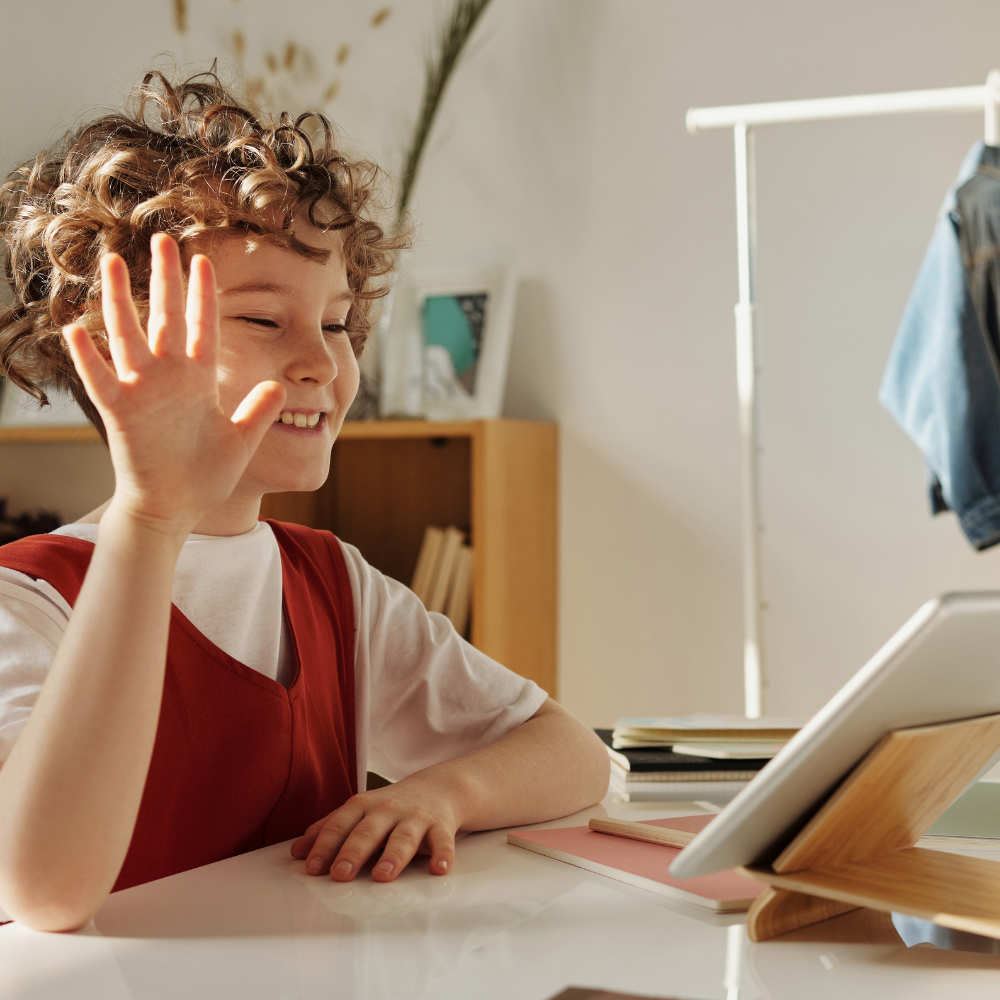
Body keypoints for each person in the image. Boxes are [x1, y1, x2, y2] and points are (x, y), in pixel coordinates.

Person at [0, 71, 608, 933]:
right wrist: (151, 516)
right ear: (114, 348)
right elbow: (46, 891)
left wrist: (444, 791)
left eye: (335, 323)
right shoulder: (23, 604)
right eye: (262, 321)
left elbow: (573, 756)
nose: (322, 364)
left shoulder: (333, 585)